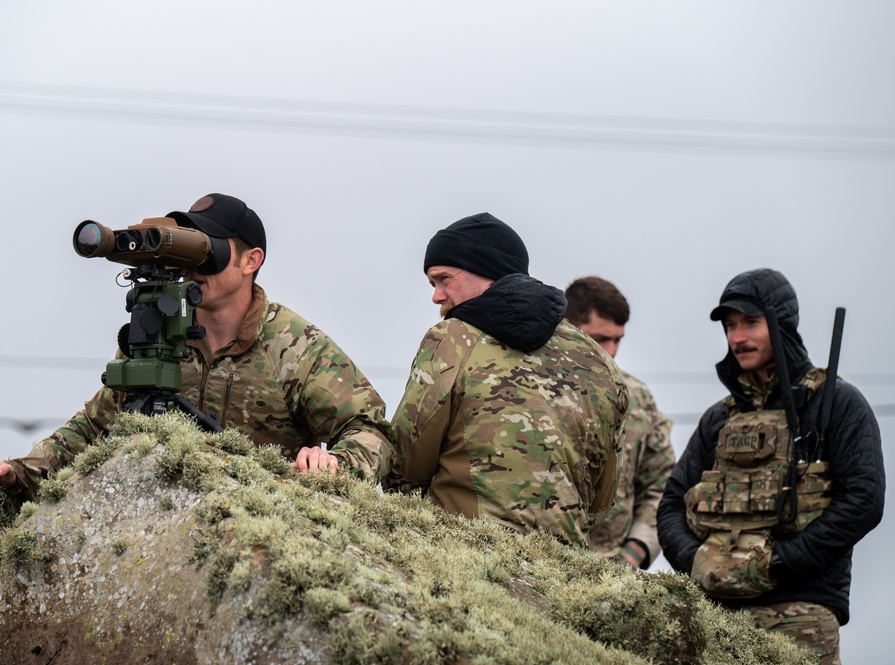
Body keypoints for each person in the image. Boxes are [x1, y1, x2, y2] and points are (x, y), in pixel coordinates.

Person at [0, 193, 394, 500]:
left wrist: (333, 465)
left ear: (250, 260)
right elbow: (93, 428)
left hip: (261, 525)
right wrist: (17, 471)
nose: (193, 265)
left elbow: (370, 431)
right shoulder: (159, 329)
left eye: (207, 250)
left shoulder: (295, 347)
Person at [657, 268, 885, 665]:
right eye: (730, 326)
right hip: (713, 612)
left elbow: (864, 500)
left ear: (781, 323)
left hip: (800, 615)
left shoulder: (836, 403)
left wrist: (778, 564)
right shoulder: (719, 419)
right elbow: (672, 503)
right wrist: (698, 563)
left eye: (750, 322)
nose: (737, 337)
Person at [375, 212, 627, 545]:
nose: (436, 295)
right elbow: (602, 499)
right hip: (560, 573)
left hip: (463, 554)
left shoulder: (452, 338)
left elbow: (405, 465)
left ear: (486, 269)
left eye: (443, 279)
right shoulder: (601, 363)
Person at [563, 276, 675, 569]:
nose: (611, 351)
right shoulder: (531, 389)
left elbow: (662, 487)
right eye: (600, 339)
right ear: (566, 328)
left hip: (612, 575)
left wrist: (635, 551)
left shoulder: (637, 399)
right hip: (537, 571)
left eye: (618, 340)